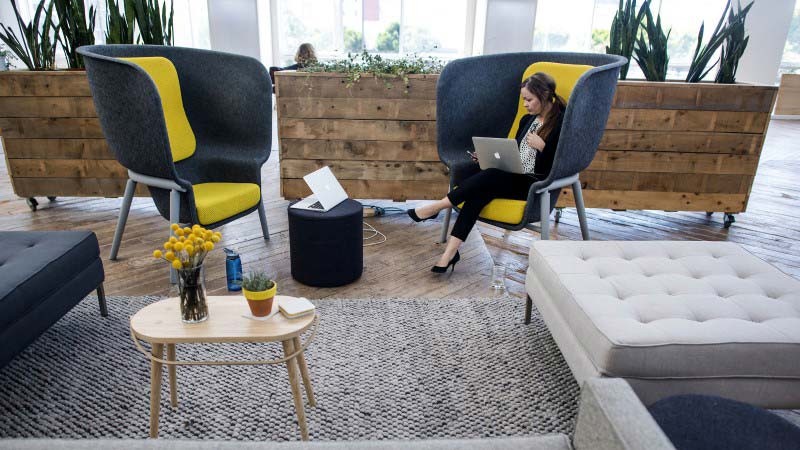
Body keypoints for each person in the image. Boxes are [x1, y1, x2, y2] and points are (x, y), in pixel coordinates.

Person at [407, 72, 566, 273]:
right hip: (513, 176)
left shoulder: (561, 123)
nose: (525, 105)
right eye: (524, 100)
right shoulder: (527, 120)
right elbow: (515, 153)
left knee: (490, 176)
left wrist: (543, 147)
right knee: (478, 193)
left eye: (529, 99)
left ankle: (438, 206)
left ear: (544, 96)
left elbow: (560, 164)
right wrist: (488, 157)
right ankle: (449, 254)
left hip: (534, 182)